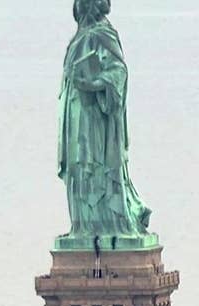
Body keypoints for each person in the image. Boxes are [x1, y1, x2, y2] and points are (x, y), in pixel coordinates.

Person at [57, 0, 152, 244]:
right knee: (79, 166)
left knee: (93, 163)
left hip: (95, 114)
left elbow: (118, 71)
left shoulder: (103, 34)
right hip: (76, 110)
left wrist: (96, 83)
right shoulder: (79, 37)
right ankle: (83, 225)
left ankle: (105, 223)